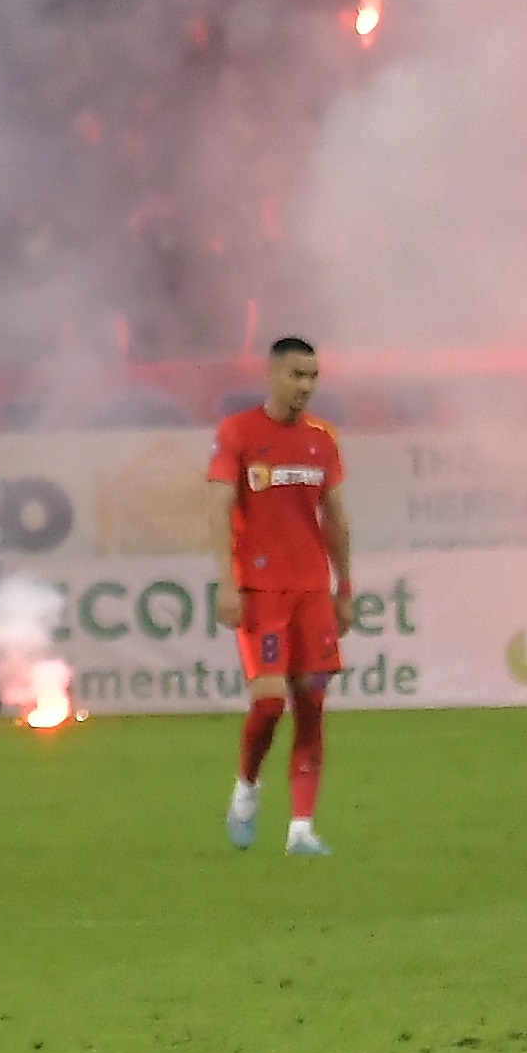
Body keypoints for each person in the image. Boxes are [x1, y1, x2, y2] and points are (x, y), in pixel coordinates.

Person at [209, 338, 353, 857]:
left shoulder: (322, 440)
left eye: (313, 377)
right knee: (269, 702)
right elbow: (219, 510)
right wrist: (226, 582)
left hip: (312, 593)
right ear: (272, 375)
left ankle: (301, 829)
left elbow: (335, 518)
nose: (306, 387)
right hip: (262, 592)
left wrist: (346, 587)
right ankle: (247, 789)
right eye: (297, 375)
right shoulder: (239, 433)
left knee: (311, 702)